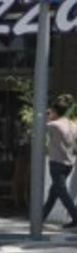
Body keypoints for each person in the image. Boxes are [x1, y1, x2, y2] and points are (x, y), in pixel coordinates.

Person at [43, 97, 77, 228]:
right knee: (54, 192)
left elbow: (40, 126)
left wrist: (46, 116)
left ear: (55, 112)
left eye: (51, 111)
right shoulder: (72, 124)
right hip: (68, 163)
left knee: (62, 193)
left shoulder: (53, 125)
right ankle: (41, 217)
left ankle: (75, 216)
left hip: (56, 163)